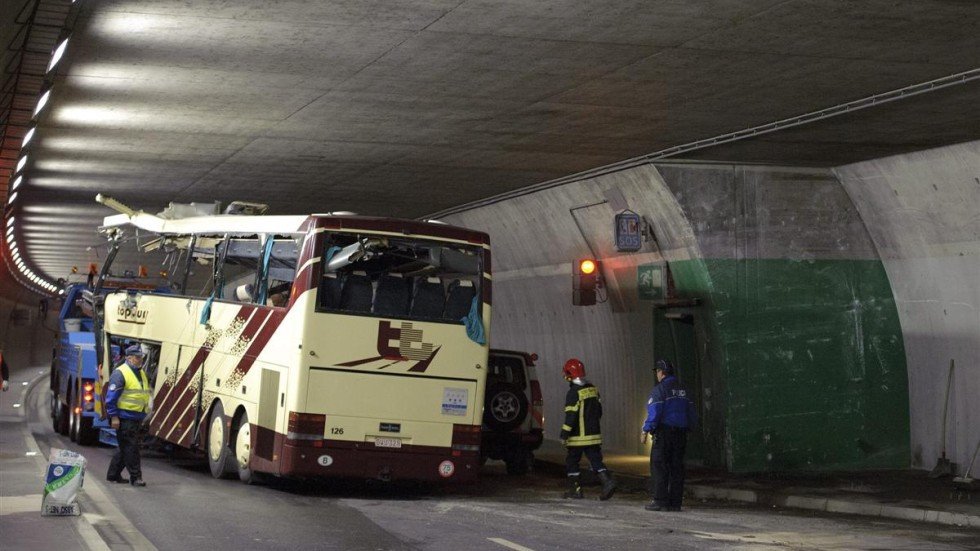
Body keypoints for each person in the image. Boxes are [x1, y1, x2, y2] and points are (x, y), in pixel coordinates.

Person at [642, 359, 697, 511]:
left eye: (657, 372)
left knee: (659, 466)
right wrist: (690, 429)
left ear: (661, 372)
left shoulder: (660, 390)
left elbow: (655, 412)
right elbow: (691, 412)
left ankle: (660, 501)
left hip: (664, 434)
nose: (657, 375)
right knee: (677, 468)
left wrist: (646, 430)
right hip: (680, 435)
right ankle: (675, 503)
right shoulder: (684, 390)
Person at [559, 358, 616, 500]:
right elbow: (599, 411)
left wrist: (564, 434)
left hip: (578, 437)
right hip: (594, 435)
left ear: (569, 374)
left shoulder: (573, 392)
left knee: (572, 461)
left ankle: (575, 490)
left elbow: (571, 416)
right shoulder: (593, 389)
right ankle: (607, 482)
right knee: (596, 460)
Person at [105, 344, 151, 487]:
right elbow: (110, 398)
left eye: (141, 357)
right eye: (137, 357)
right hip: (124, 418)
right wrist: (114, 417)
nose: (140, 360)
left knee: (125, 447)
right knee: (132, 448)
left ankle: (113, 474)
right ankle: (136, 477)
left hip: (136, 417)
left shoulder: (140, 372)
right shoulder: (120, 373)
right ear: (129, 358)